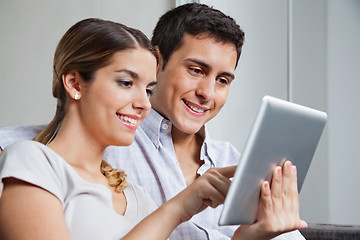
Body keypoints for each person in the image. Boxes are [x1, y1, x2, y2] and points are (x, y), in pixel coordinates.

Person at [0, 4, 307, 240]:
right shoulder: (38, 156)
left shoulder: (137, 194)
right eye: (196, 70)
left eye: (223, 79)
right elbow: (35, 147)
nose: (207, 93)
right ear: (160, 64)